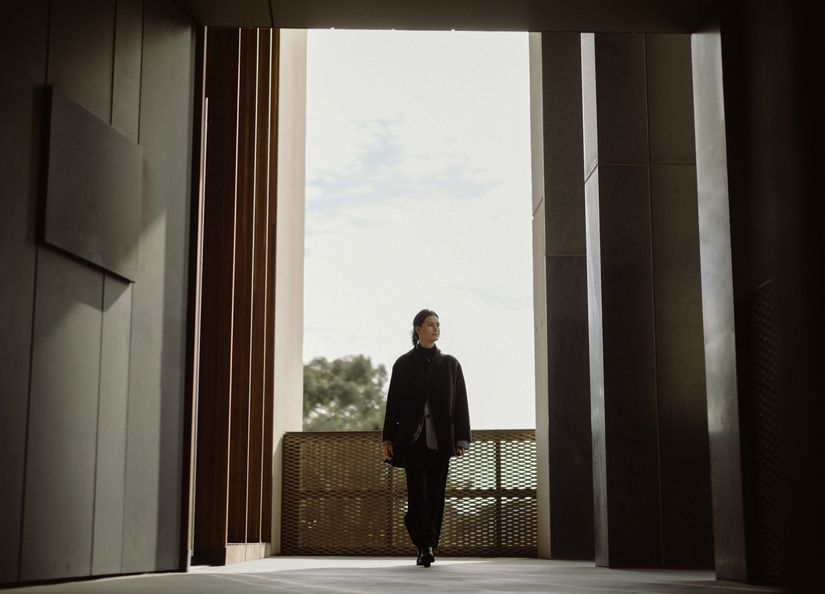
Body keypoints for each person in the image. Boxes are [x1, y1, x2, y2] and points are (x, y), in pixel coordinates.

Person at [381, 309, 471, 567]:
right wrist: (388, 439)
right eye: (430, 324)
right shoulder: (403, 364)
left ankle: (428, 543)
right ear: (418, 329)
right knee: (418, 493)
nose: (436, 328)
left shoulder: (451, 364)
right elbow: (393, 403)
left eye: (438, 325)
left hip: (441, 440)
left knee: (435, 494)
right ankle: (425, 546)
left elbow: (460, 403)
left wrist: (461, 439)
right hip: (412, 440)